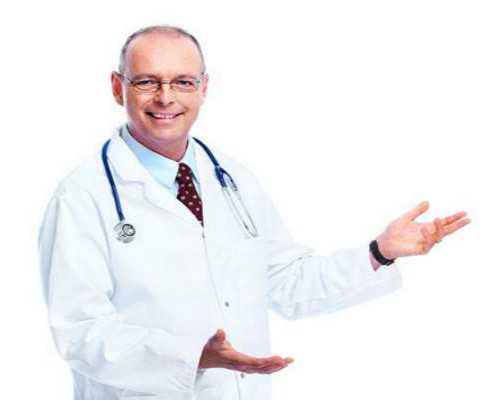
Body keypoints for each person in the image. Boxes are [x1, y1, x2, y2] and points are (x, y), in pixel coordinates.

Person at [37, 25, 470, 400]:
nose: (166, 97)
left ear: (204, 88)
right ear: (118, 88)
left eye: (183, 82)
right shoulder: (82, 196)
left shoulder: (232, 179)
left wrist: (379, 253)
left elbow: (285, 281)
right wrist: (193, 357)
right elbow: (80, 332)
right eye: (147, 82)